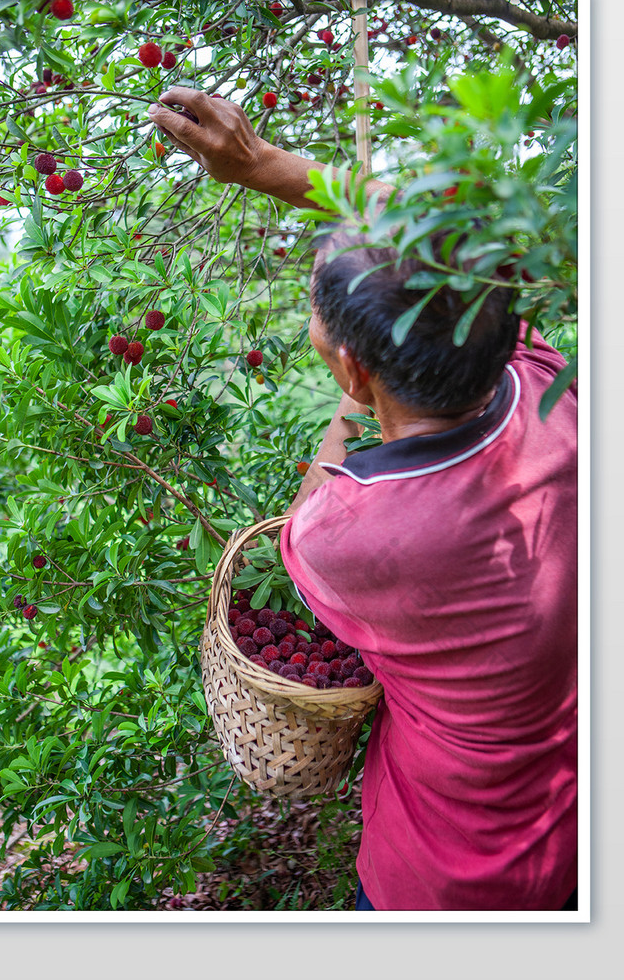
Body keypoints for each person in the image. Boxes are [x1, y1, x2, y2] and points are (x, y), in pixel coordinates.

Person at [148, 88, 578, 912]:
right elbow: (431, 238)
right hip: (574, 826)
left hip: (444, 883)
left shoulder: (342, 540)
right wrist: (264, 166)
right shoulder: (549, 391)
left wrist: (361, 396)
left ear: (347, 368)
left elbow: (319, 506)